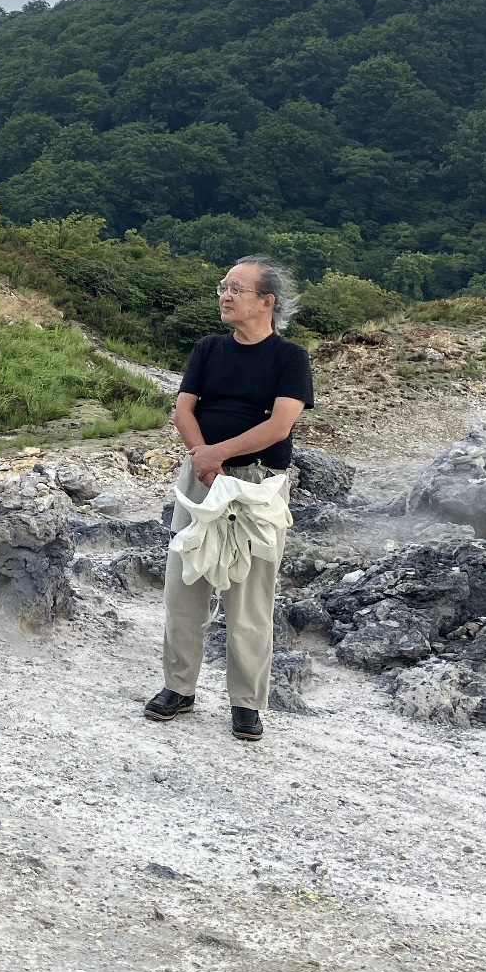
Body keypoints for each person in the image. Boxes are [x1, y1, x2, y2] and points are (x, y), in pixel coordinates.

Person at [145, 256, 314, 741]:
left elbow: (280, 425)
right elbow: (183, 408)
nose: (225, 294)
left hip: (258, 486)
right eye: (223, 286)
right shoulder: (208, 349)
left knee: (250, 598)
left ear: (267, 302)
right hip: (201, 480)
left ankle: (246, 704)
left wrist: (217, 453)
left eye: (236, 288)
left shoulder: (290, 359)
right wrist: (204, 458)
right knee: (184, 587)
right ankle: (179, 688)